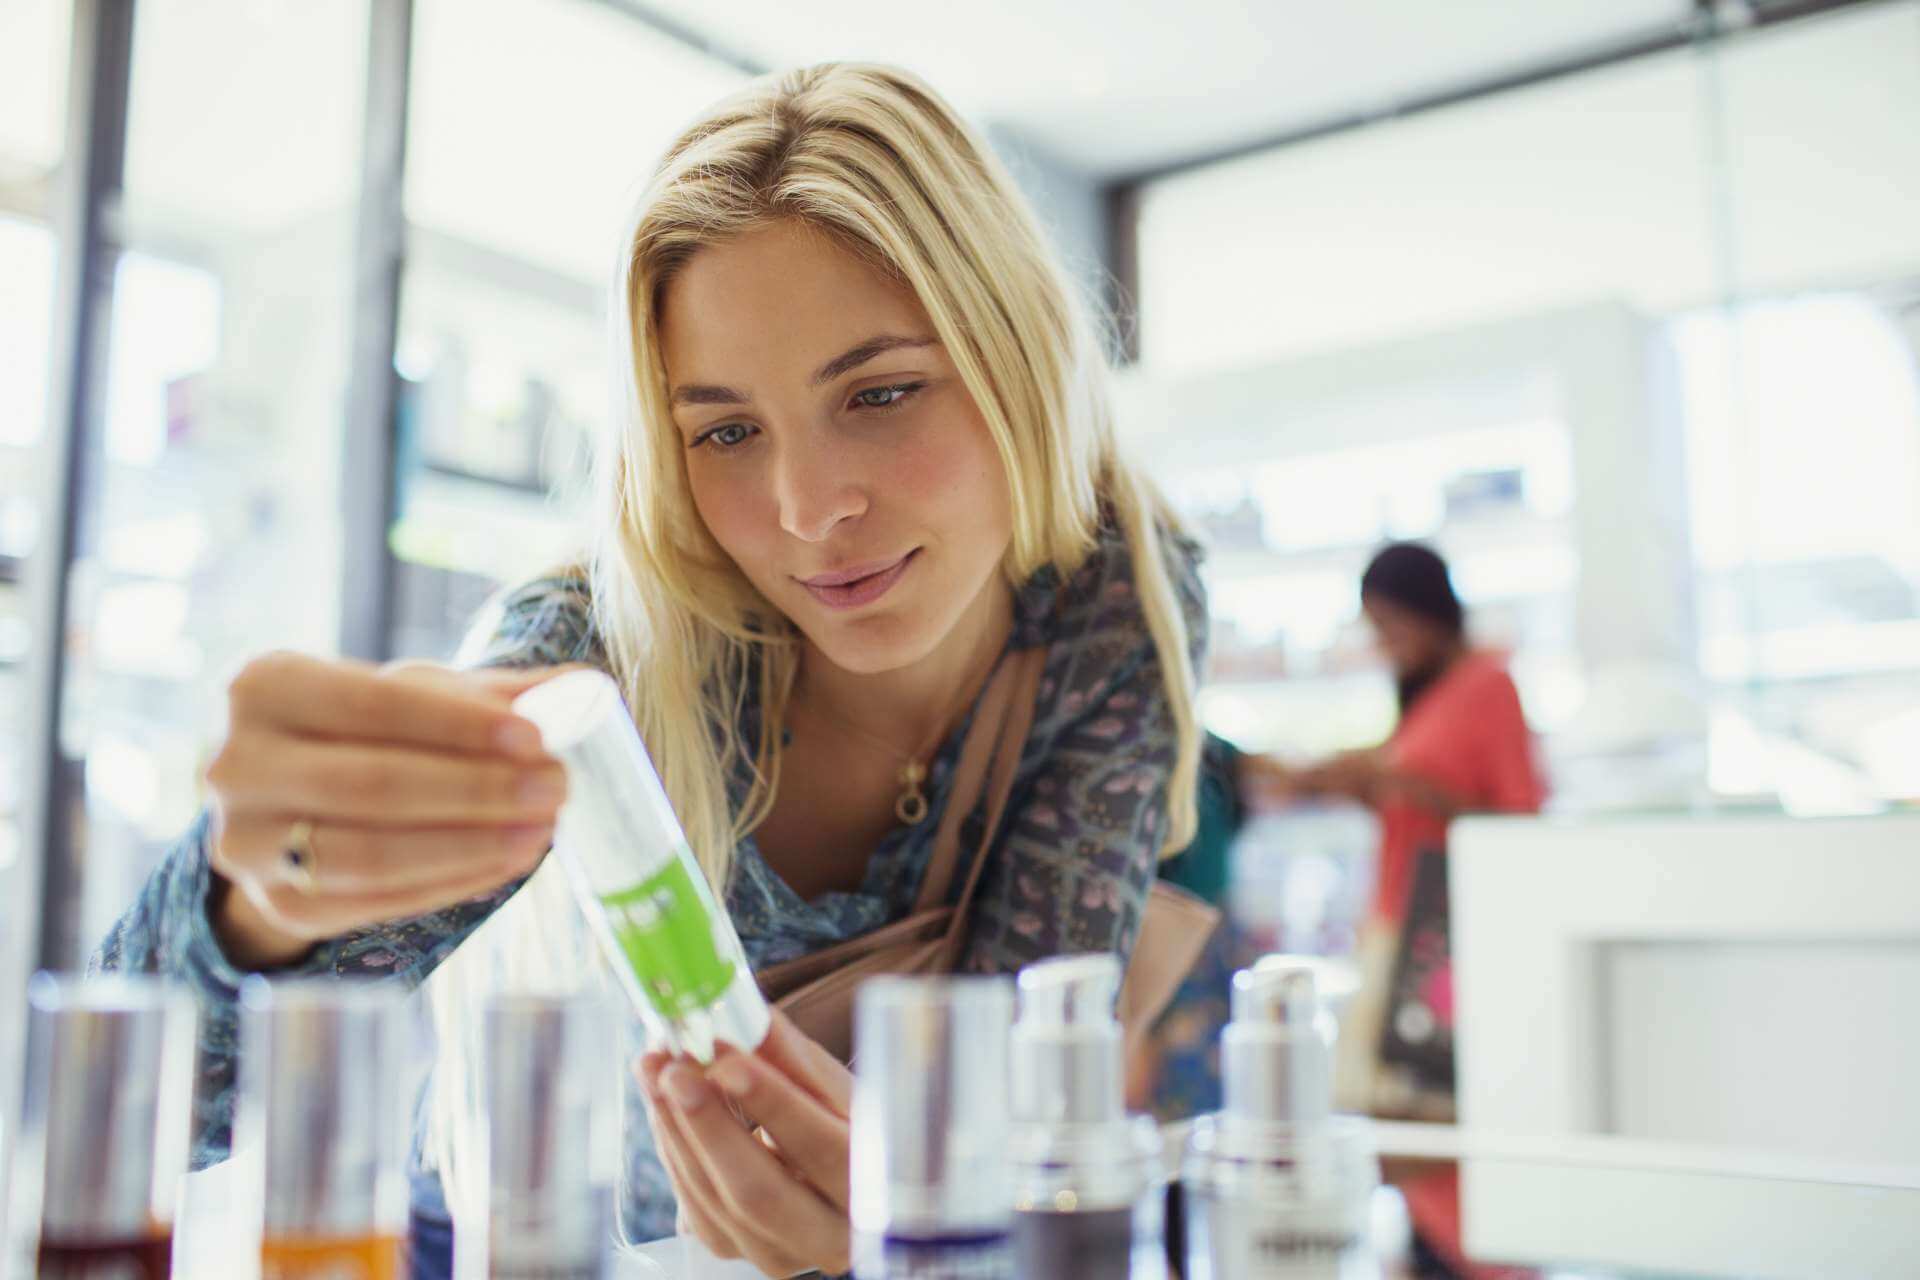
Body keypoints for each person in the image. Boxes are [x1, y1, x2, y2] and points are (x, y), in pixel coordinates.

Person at [91, 63, 1208, 1280]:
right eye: (725, 430)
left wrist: (884, 1237)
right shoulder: (592, 659)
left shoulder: (1116, 598)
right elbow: (155, 1106)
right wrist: (251, 910)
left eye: (880, 392)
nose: (806, 509)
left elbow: (1023, 1092)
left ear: (1019, 356)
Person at [1291, 541, 1545, 926]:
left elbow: (1518, 822)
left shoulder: (1489, 686)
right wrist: (1364, 786)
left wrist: (1410, 785)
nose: (1384, 644)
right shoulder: (1427, 694)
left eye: (1390, 626)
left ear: (1426, 610)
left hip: (1453, 917)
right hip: (1401, 906)